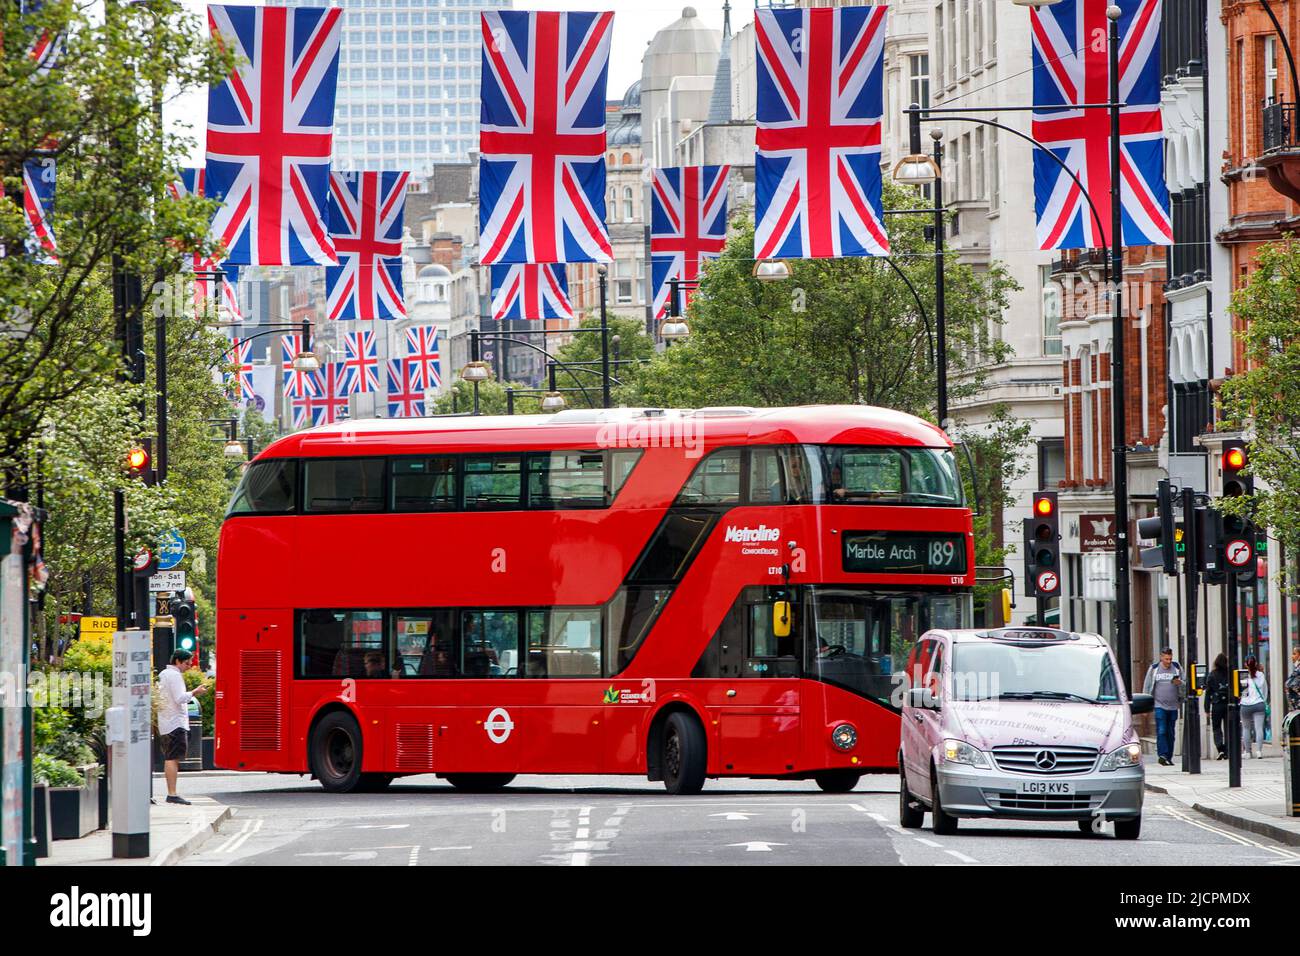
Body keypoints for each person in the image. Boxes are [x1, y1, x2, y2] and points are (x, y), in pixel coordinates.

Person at [158, 649, 207, 806]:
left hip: (166, 722)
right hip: (175, 723)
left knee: (171, 756)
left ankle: (172, 792)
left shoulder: (164, 674)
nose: (189, 666)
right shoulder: (174, 675)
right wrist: (195, 692)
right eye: (187, 663)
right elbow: (180, 698)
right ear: (178, 661)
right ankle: (172, 794)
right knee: (172, 758)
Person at [1142, 647, 1185, 766]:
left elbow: (1186, 684)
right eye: (1166, 659)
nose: (1168, 662)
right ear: (1161, 657)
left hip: (1173, 706)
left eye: (1170, 659)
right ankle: (1162, 755)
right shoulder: (1154, 669)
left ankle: (1168, 756)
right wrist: (1145, 706)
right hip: (1159, 705)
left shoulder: (1177, 668)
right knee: (1161, 730)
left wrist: (1180, 683)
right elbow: (1147, 687)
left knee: (1170, 732)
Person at [1240, 655, 1268, 759]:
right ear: (1255, 663)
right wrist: (1263, 701)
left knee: (1246, 728)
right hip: (1259, 704)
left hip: (1245, 705)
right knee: (1259, 728)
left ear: (1245, 664)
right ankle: (1259, 751)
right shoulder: (1261, 675)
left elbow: (1241, 692)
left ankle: (1247, 752)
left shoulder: (1243, 676)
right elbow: (1265, 690)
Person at [1205, 653, 1231, 760]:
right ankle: (1228, 750)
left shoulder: (1212, 675)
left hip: (1216, 704)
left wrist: (1206, 708)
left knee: (1216, 728)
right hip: (1228, 704)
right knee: (1229, 728)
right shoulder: (1230, 674)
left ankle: (1220, 748)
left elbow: (1208, 693)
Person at [1286, 645, 1300, 715]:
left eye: (1294, 654)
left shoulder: (1298, 670)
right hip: (1295, 708)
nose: (1292, 656)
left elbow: (1291, 685)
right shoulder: (1296, 669)